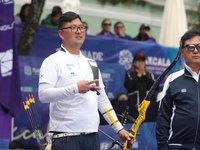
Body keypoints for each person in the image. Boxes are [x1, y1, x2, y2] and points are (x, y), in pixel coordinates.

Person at [38, 11, 133, 150]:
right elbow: (43, 95)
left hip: (91, 137)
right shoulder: (53, 61)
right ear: (61, 34)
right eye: (73, 28)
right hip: (64, 137)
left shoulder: (92, 64)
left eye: (81, 27)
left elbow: (103, 101)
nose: (79, 31)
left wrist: (119, 129)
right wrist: (75, 88)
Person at [156, 30, 200, 150]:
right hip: (178, 146)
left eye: (199, 47)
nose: (196, 51)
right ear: (182, 53)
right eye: (190, 47)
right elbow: (163, 117)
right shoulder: (172, 79)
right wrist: (163, 147)